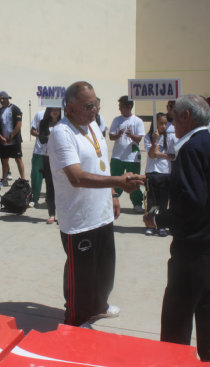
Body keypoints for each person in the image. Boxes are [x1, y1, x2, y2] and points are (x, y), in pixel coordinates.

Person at [143, 94, 210, 367]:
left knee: (176, 317)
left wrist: (159, 219)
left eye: (173, 118)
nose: (171, 123)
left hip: (195, 250)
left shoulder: (192, 148)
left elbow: (191, 204)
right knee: (209, 307)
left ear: (186, 117)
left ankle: (172, 362)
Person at [48, 81, 144, 328]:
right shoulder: (62, 133)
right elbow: (77, 177)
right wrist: (120, 182)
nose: (95, 110)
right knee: (81, 276)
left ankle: (99, 307)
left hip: (101, 214)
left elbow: (101, 163)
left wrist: (112, 193)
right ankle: (75, 319)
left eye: (97, 103)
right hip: (79, 219)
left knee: (103, 269)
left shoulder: (93, 126)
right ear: (70, 108)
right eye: (89, 105)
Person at [109, 95, 146, 212]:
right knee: (115, 180)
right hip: (117, 156)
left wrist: (131, 135)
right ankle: (112, 202)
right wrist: (118, 134)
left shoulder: (137, 121)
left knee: (134, 181)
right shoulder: (117, 120)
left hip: (132, 156)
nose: (119, 109)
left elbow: (139, 139)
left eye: (121, 106)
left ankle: (137, 203)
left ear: (129, 106)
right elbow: (111, 136)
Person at [144, 112, 176, 236]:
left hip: (165, 172)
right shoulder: (149, 137)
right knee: (152, 201)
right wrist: (155, 142)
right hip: (152, 172)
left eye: (165, 123)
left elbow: (172, 156)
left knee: (163, 201)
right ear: (155, 123)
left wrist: (161, 155)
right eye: (161, 123)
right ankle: (150, 224)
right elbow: (151, 154)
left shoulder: (170, 138)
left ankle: (161, 225)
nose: (163, 126)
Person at [38, 107, 61, 224]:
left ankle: (62, 215)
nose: (55, 111)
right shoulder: (43, 123)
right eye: (52, 109)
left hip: (61, 157)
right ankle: (52, 214)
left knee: (62, 186)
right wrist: (48, 137)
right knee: (50, 186)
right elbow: (41, 139)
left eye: (57, 109)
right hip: (47, 157)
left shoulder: (64, 122)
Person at [0, 91, 25, 183]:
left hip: (14, 140)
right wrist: (1, 137)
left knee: (18, 159)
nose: (2, 100)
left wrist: (11, 136)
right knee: (4, 161)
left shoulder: (15, 109)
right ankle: (4, 179)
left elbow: (19, 123)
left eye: (3, 98)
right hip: (3, 141)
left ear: (7, 98)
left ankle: (23, 179)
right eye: (0, 99)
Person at [29, 109, 46, 206]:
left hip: (54, 153)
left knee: (52, 178)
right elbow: (32, 131)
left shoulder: (62, 115)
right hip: (39, 151)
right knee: (36, 176)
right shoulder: (39, 114)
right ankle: (34, 198)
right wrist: (41, 136)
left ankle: (50, 199)